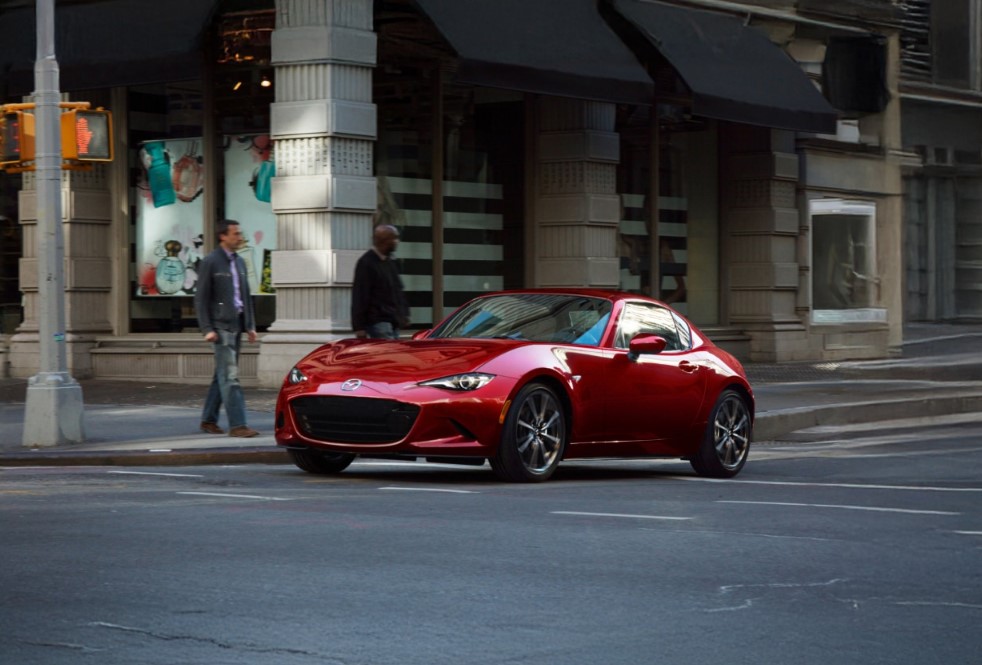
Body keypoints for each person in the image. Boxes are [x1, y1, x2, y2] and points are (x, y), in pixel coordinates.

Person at [195, 219, 259, 438]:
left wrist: (250, 325)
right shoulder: (211, 262)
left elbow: (245, 296)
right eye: (235, 233)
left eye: (239, 233)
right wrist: (207, 329)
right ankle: (238, 425)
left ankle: (208, 420)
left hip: (238, 325)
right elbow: (201, 298)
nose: (239, 237)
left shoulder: (240, 262)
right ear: (223, 236)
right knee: (230, 376)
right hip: (220, 328)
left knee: (221, 375)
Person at [351, 223, 410, 339]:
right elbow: (360, 295)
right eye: (394, 238)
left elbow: (398, 290)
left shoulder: (390, 261)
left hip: (392, 321)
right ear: (383, 241)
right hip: (378, 321)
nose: (397, 241)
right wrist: (359, 327)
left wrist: (404, 314)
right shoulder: (367, 262)